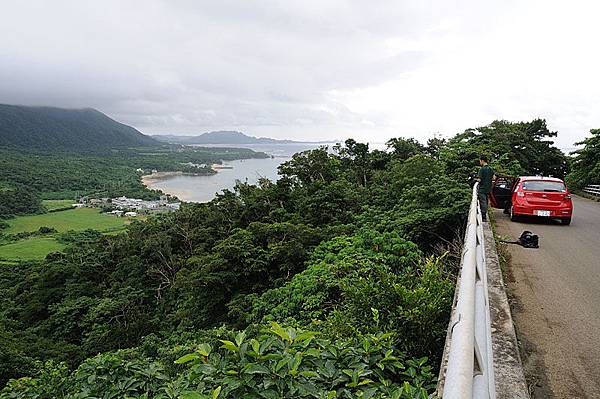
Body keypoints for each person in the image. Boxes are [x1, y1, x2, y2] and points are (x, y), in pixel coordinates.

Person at [476, 155, 494, 221]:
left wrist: (476, 179)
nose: (479, 162)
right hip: (488, 189)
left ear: (482, 160)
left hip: (482, 189)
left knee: (483, 202)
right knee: (486, 202)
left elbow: (479, 179)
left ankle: (484, 217)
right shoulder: (490, 169)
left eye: (480, 161)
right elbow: (494, 177)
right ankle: (484, 215)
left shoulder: (482, 169)